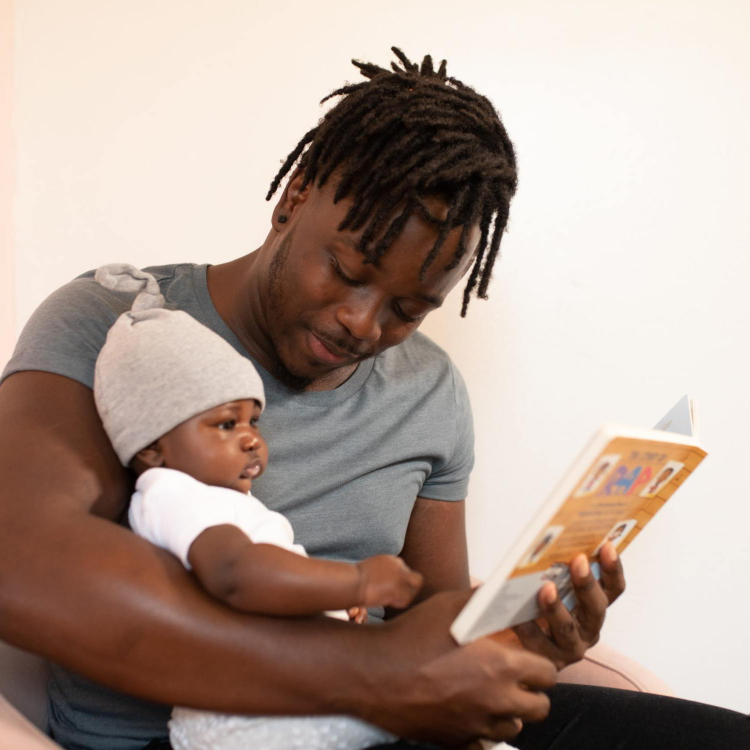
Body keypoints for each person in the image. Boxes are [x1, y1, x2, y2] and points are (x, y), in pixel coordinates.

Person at [1, 47, 748, 750]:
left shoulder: (429, 392)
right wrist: (373, 670)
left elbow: (433, 617)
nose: (363, 323)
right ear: (294, 198)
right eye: (348, 270)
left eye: (409, 307)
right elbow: (23, 559)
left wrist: (531, 638)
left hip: (368, 724)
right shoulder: (120, 323)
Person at [92, 262, 423, 749]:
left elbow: (271, 582)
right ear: (150, 448)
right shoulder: (171, 493)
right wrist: (355, 580)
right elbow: (236, 573)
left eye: (254, 422)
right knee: (431, 709)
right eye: (227, 424)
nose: (251, 439)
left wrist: (333, 603)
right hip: (239, 720)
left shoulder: (219, 501)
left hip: (265, 703)